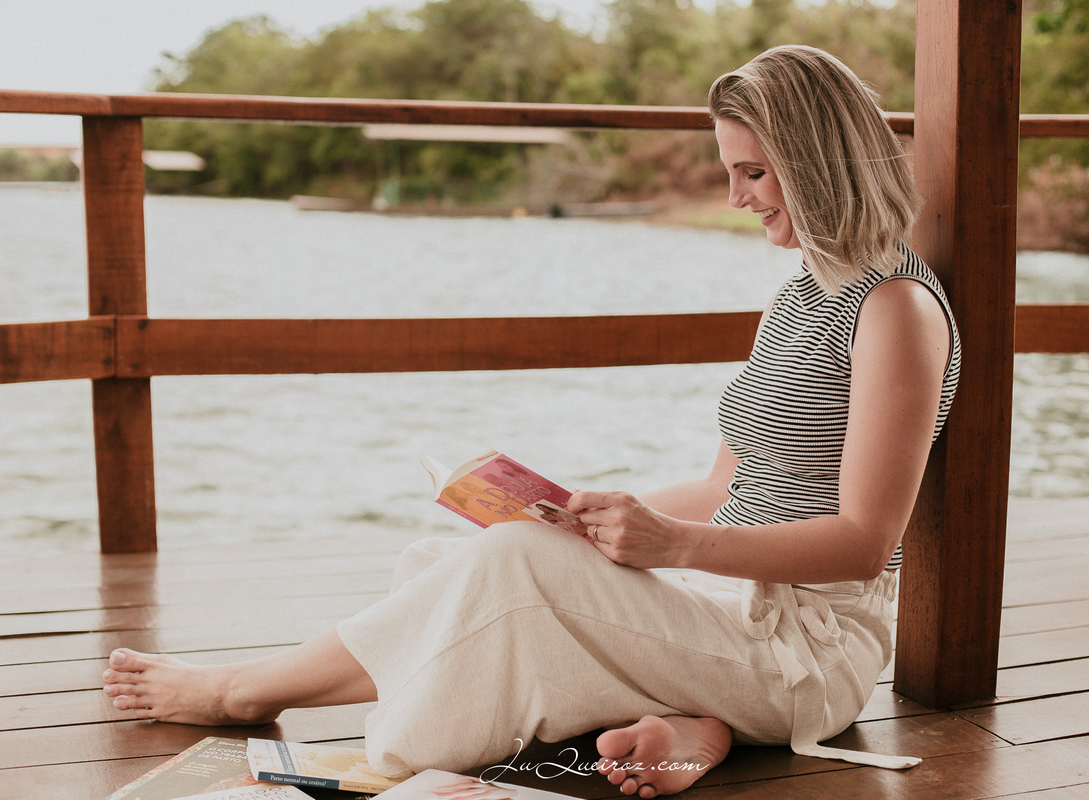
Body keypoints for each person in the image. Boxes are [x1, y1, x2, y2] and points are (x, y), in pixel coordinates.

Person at [102, 45, 959, 799]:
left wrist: (672, 547)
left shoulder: (897, 312)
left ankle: (245, 693)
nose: (737, 196)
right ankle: (697, 719)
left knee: (511, 572)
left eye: (755, 171)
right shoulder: (802, 293)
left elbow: (863, 541)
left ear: (817, 159)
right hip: (726, 603)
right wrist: (592, 518)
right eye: (732, 171)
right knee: (459, 559)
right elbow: (726, 484)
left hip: (807, 649)